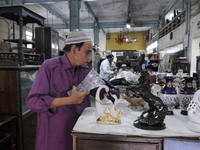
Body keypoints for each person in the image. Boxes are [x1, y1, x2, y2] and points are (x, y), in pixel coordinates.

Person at [26, 30, 142, 150]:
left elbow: (102, 91)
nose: (89, 58)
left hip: (79, 131)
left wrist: (129, 99)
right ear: (74, 49)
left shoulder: (84, 71)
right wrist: (69, 100)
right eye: (87, 53)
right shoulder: (49, 68)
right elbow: (33, 102)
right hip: (54, 136)